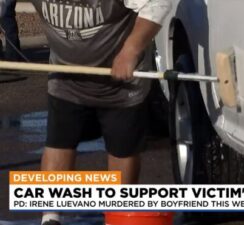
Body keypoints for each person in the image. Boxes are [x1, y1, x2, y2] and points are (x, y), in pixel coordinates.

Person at [23, 1, 172, 225]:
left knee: (123, 149)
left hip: (121, 81)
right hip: (67, 74)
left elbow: (158, 3)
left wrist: (131, 49)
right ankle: (51, 217)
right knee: (58, 142)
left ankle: (117, 214)